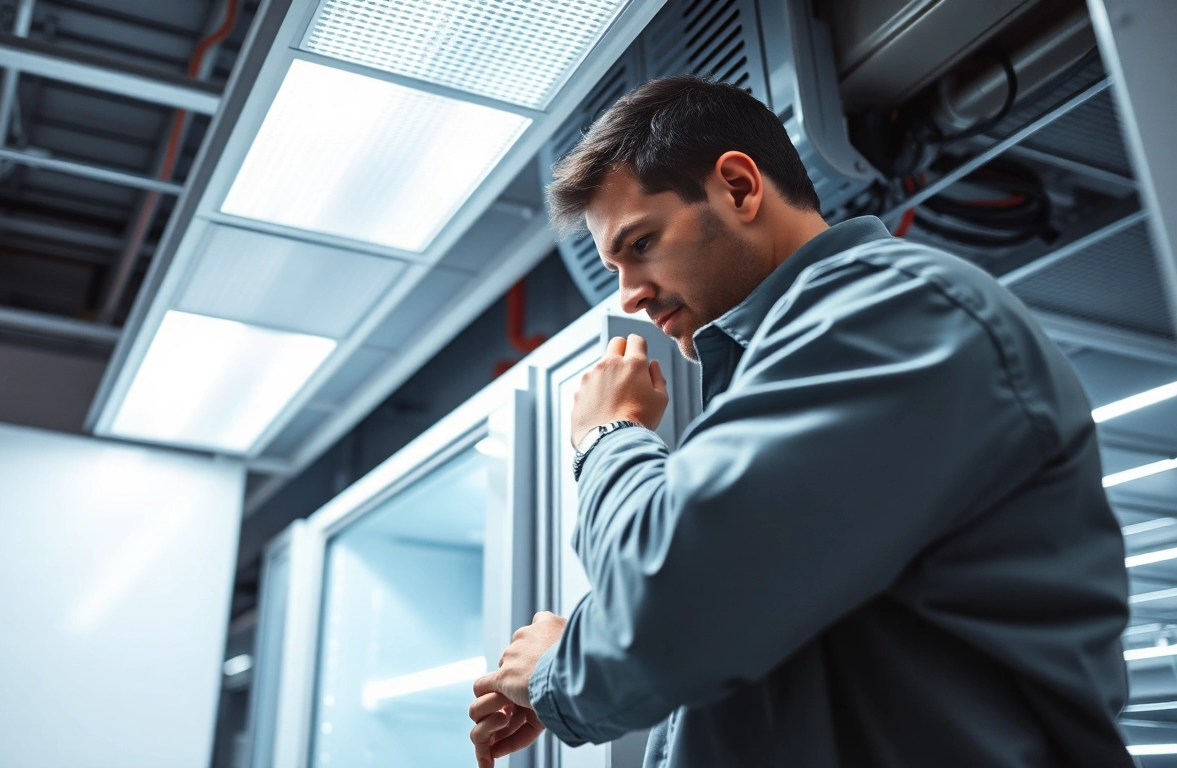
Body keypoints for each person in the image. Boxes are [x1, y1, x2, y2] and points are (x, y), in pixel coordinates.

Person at [467, 75, 1132, 767]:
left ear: (737, 187)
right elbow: (734, 615)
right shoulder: (795, 355)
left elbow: (668, 610)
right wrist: (586, 649)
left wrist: (608, 436)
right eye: (613, 267)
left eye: (640, 244)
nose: (630, 296)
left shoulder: (893, 309)